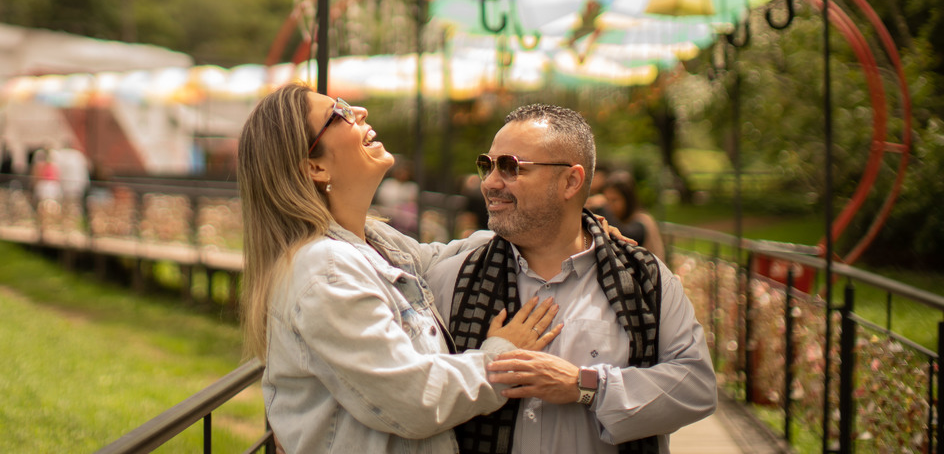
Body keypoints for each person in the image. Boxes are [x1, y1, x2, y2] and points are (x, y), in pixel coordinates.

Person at [237, 84, 561, 454]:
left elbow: (443, 258)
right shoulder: (327, 269)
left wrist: (563, 225)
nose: (359, 111)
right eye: (339, 113)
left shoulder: (371, 240)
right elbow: (415, 400)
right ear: (315, 166)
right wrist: (501, 357)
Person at [427, 104, 716, 454]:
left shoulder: (644, 279)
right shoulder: (451, 278)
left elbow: (696, 387)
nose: (489, 182)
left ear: (571, 181)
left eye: (510, 167)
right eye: (487, 165)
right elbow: (420, 390)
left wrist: (587, 386)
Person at [601, 170, 666, 261]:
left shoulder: (642, 221)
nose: (609, 206)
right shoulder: (622, 219)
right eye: (607, 200)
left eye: (614, 200)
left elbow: (625, 235)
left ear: (628, 199)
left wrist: (601, 209)